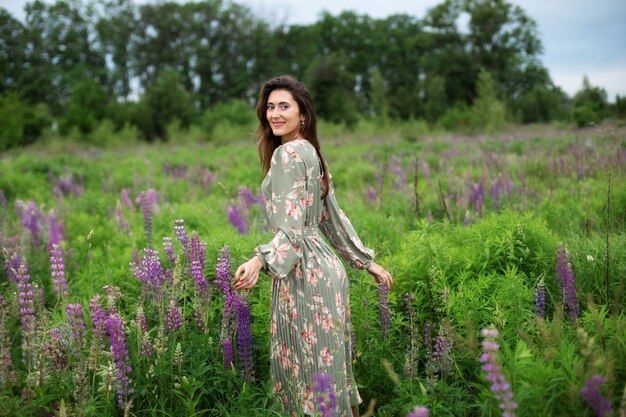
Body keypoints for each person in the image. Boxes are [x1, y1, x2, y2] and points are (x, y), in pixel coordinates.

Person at [234, 75, 393, 417]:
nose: (275, 114)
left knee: (307, 380)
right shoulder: (310, 151)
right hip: (327, 272)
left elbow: (293, 230)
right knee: (327, 376)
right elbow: (330, 217)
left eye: (284, 107)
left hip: (303, 275)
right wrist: (364, 261)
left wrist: (260, 260)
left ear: (302, 114)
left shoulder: (288, 155)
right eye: (270, 107)